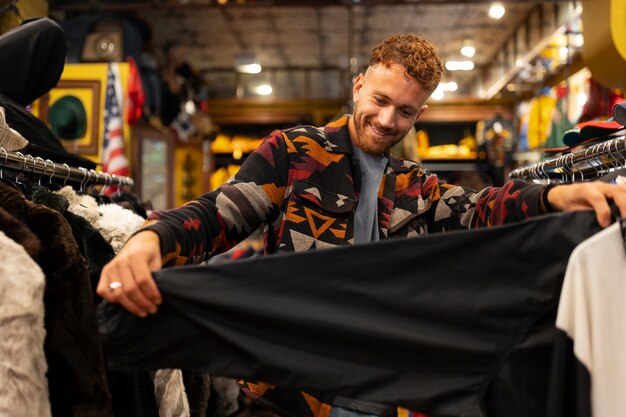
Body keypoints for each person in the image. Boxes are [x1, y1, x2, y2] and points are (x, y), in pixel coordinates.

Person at [98, 34, 626, 417]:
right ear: (358, 86)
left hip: (394, 392)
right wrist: (149, 239)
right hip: (293, 391)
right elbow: (219, 213)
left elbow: (484, 207)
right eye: (380, 100)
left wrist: (559, 193)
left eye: (406, 112)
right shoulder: (294, 153)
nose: (388, 120)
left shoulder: (416, 184)